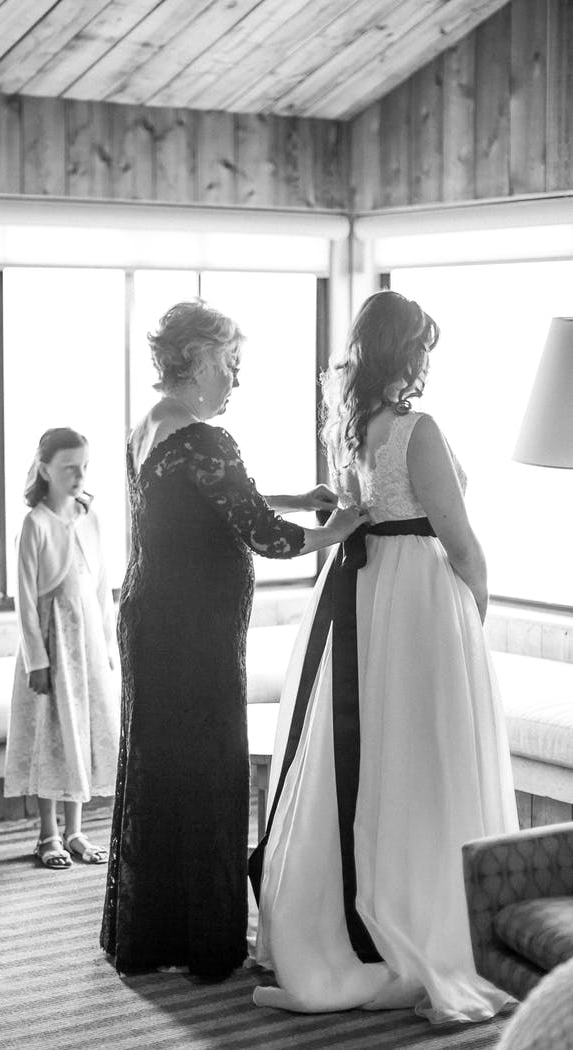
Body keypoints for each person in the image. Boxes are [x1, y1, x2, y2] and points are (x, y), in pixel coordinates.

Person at [252, 290, 519, 1022]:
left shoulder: (355, 427)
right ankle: (423, 919)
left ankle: (353, 915)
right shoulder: (417, 428)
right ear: (408, 352)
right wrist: (477, 610)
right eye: (424, 346)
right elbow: (459, 540)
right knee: (425, 755)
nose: (428, 359)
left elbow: (350, 512)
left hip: (365, 593)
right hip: (422, 599)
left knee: (371, 759)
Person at [100, 299, 367, 979]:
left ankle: (154, 931)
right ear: (192, 360)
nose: (235, 378)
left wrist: (291, 499)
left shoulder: (152, 426)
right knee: (205, 767)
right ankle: (205, 941)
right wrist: (332, 531)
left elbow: (210, 502)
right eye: (228, 362)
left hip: (153, 615)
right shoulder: (204, 440)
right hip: (194, 631)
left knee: (159, 766)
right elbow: (257, 532)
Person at [4, 427, 120, 869]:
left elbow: (102, 587)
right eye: (69, 467)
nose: (78, 475)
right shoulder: (35, 524)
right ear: (45, 468)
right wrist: (38, 660)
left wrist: (107, 647)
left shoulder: (90, 517)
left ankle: (75, 832)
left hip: (86, 642)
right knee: (52, 734)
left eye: (84, 466)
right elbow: (26, 602)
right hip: (52, 646)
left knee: (83, 731)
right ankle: (48, 834)